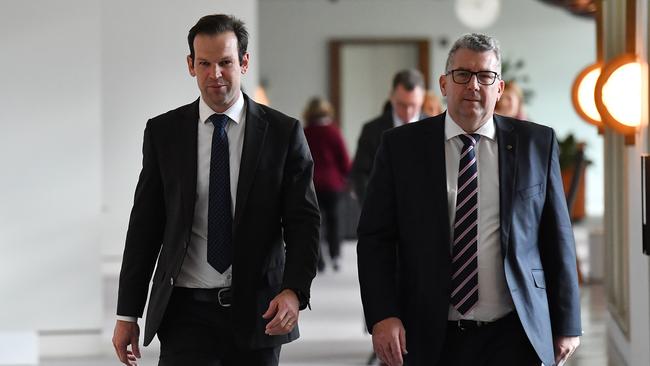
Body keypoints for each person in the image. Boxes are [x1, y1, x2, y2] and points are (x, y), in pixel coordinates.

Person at [357, 33, 581, 366]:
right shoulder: (401, 147)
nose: (473, 85)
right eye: (462, 75)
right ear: (444, 84)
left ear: (500, 88)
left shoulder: (536, 144)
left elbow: (557, 238)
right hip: (431, 330)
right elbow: (375, 239)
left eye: (485, 76)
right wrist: (382, 315)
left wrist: (568, 324)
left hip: (515, 329)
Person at [112, 14, 320, 366]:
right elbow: (145, 227)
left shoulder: (283, 134)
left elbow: (304, 222)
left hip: (259, 311)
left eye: (225, 62)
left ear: (244, 62)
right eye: (205, 63)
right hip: (185, 312)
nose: (215, 74)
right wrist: (127, 313)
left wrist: (294, 290)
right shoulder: (164, 133)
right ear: (191, 65)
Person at [350, 69, 426, 204]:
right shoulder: (371, 130)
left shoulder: (436, 128)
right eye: (402, 105)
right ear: (391, 97)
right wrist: (373, 207)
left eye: (413, 105)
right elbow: (360, 175)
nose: (408, 113)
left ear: (422, 98)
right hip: (382, 210)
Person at [302, 97, 351, 272]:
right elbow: (344, 159)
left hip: (312, 183)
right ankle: (335, 256)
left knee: (315, 223)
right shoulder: (333, 131)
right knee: (334, 220)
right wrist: (347, 177)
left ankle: (318, 260)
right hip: (333, 184)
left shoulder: (305, 131)